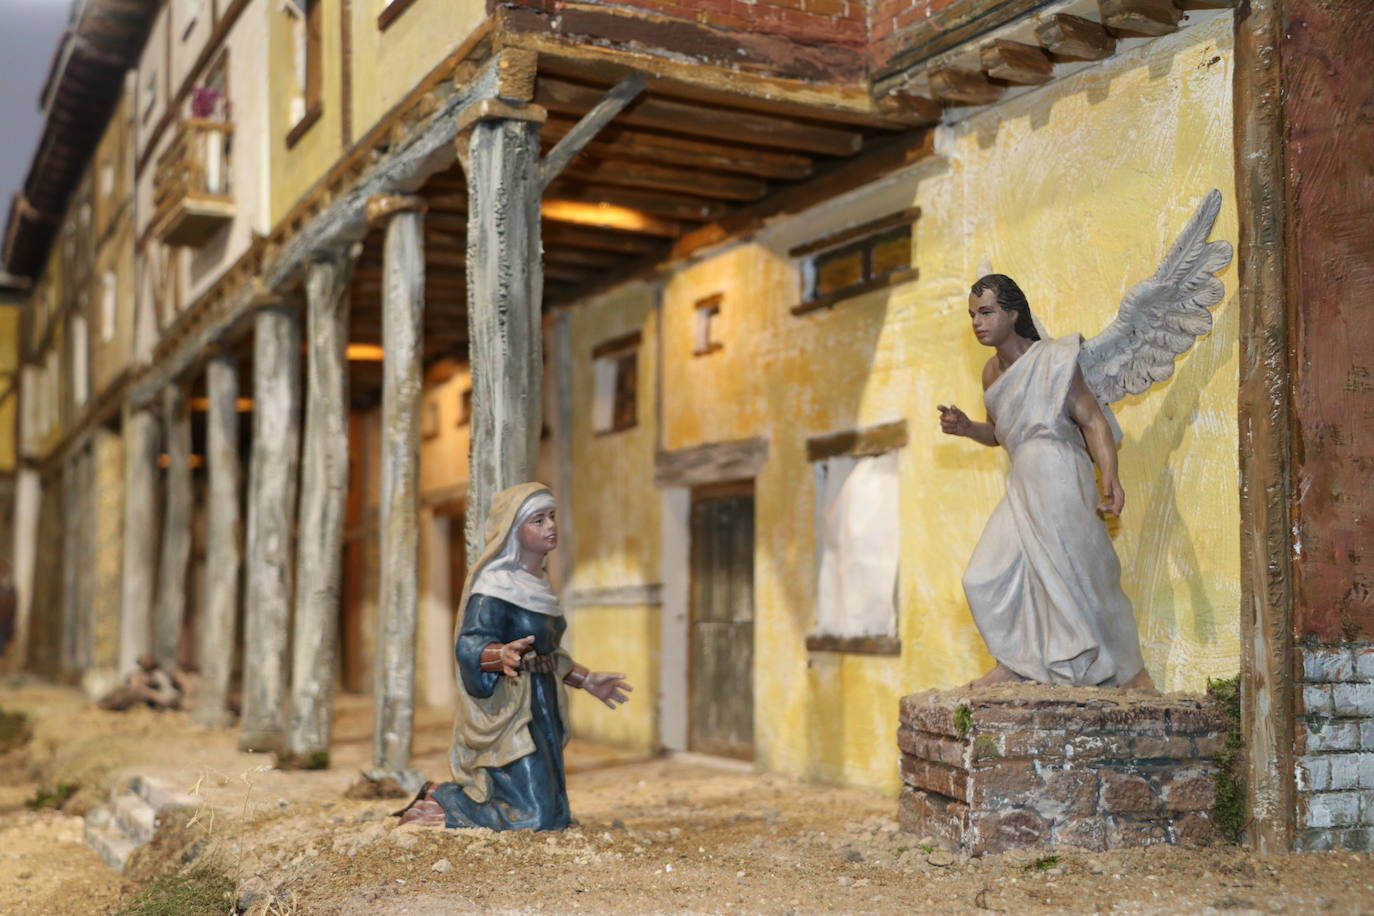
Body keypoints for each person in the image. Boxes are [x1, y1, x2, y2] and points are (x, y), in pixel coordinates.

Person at [938, 274, 1155, 691]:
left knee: (1079, 572)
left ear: (1013, 313)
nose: (977, 323)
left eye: (986, 312)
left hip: (1059, 470)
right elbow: (1001, 434)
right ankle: (1016, 661)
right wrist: (967, 428)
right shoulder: (990, 373)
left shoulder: (1054, 359)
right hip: (1022, 478)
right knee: (984, 575)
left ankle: (1130, 672)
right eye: (972, 315)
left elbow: (1092, 420)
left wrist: (1111, 477)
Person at [398, 483, 631, 830]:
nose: (550, 526)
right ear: (512, 529)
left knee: (552, 812)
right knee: (534, 816)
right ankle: (446, 803)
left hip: (544, 702)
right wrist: (498, 655)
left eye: (551, 517)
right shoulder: (494, 587)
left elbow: (552, 654)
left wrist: (586, 679)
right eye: (537, 520)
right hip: (511, 707)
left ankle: (448, 798)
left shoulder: (540, 584)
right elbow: (469, 644)